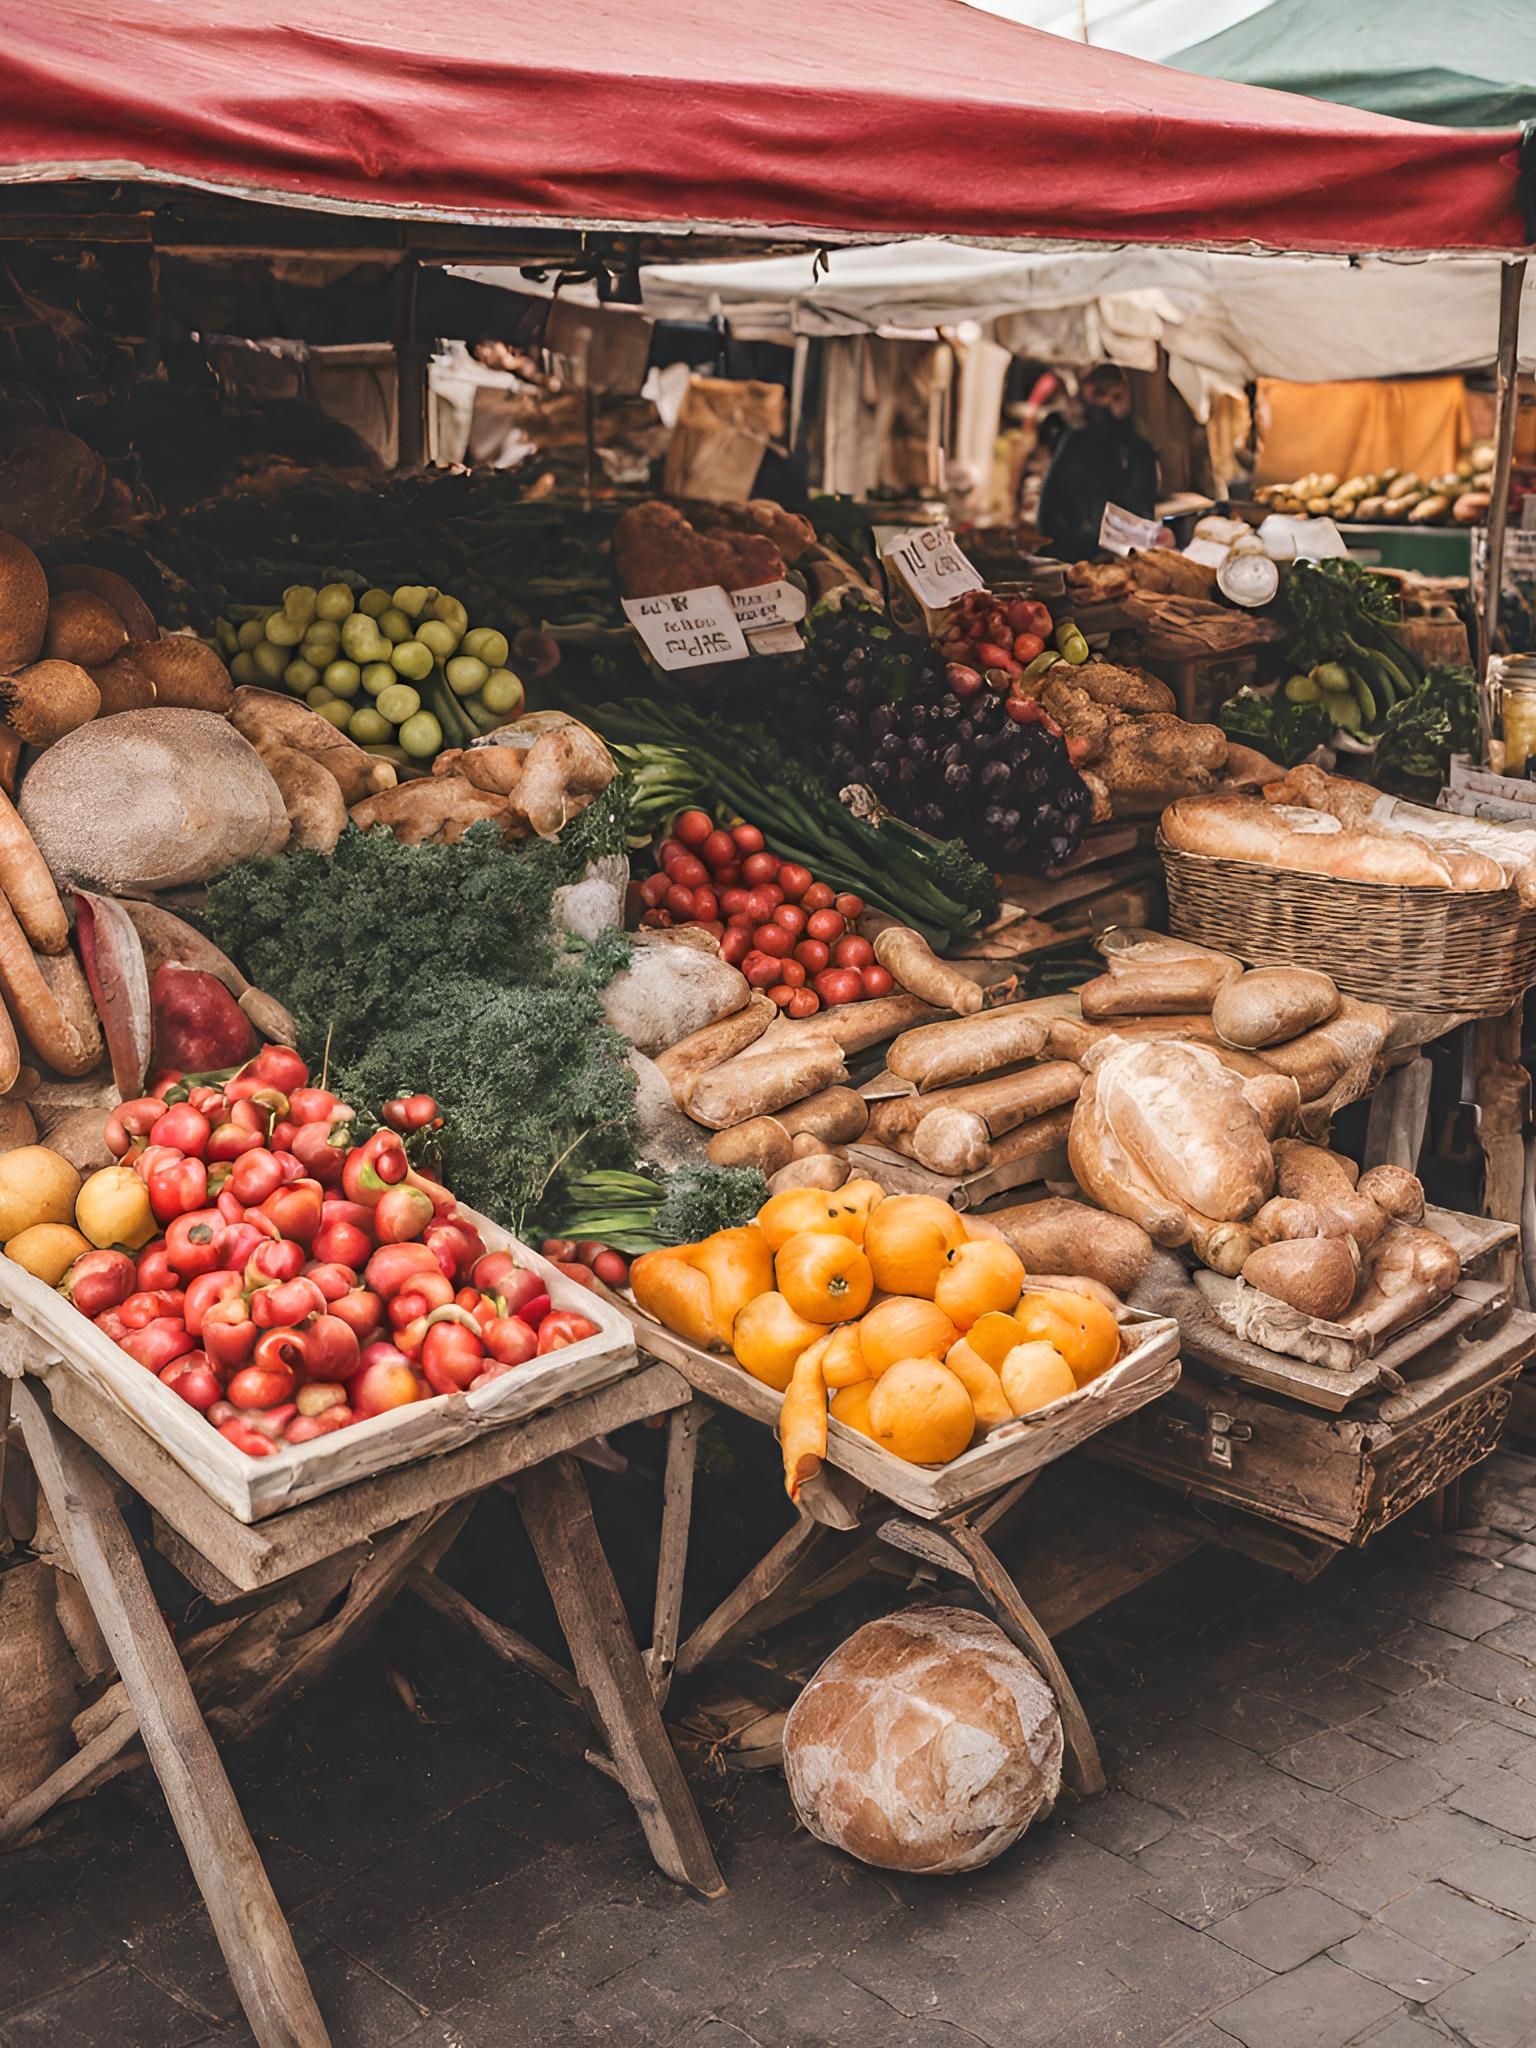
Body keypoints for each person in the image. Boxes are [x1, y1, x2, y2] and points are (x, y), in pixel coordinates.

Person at [1037, 365, 1159, 561]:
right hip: (1075, 557)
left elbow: (1143, 508)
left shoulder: (1138, 449)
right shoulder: (1075, 443)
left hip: (1125, 556)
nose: (1110, 404)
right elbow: (1050, 511)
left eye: (1117, 397)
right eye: (1103, 395)